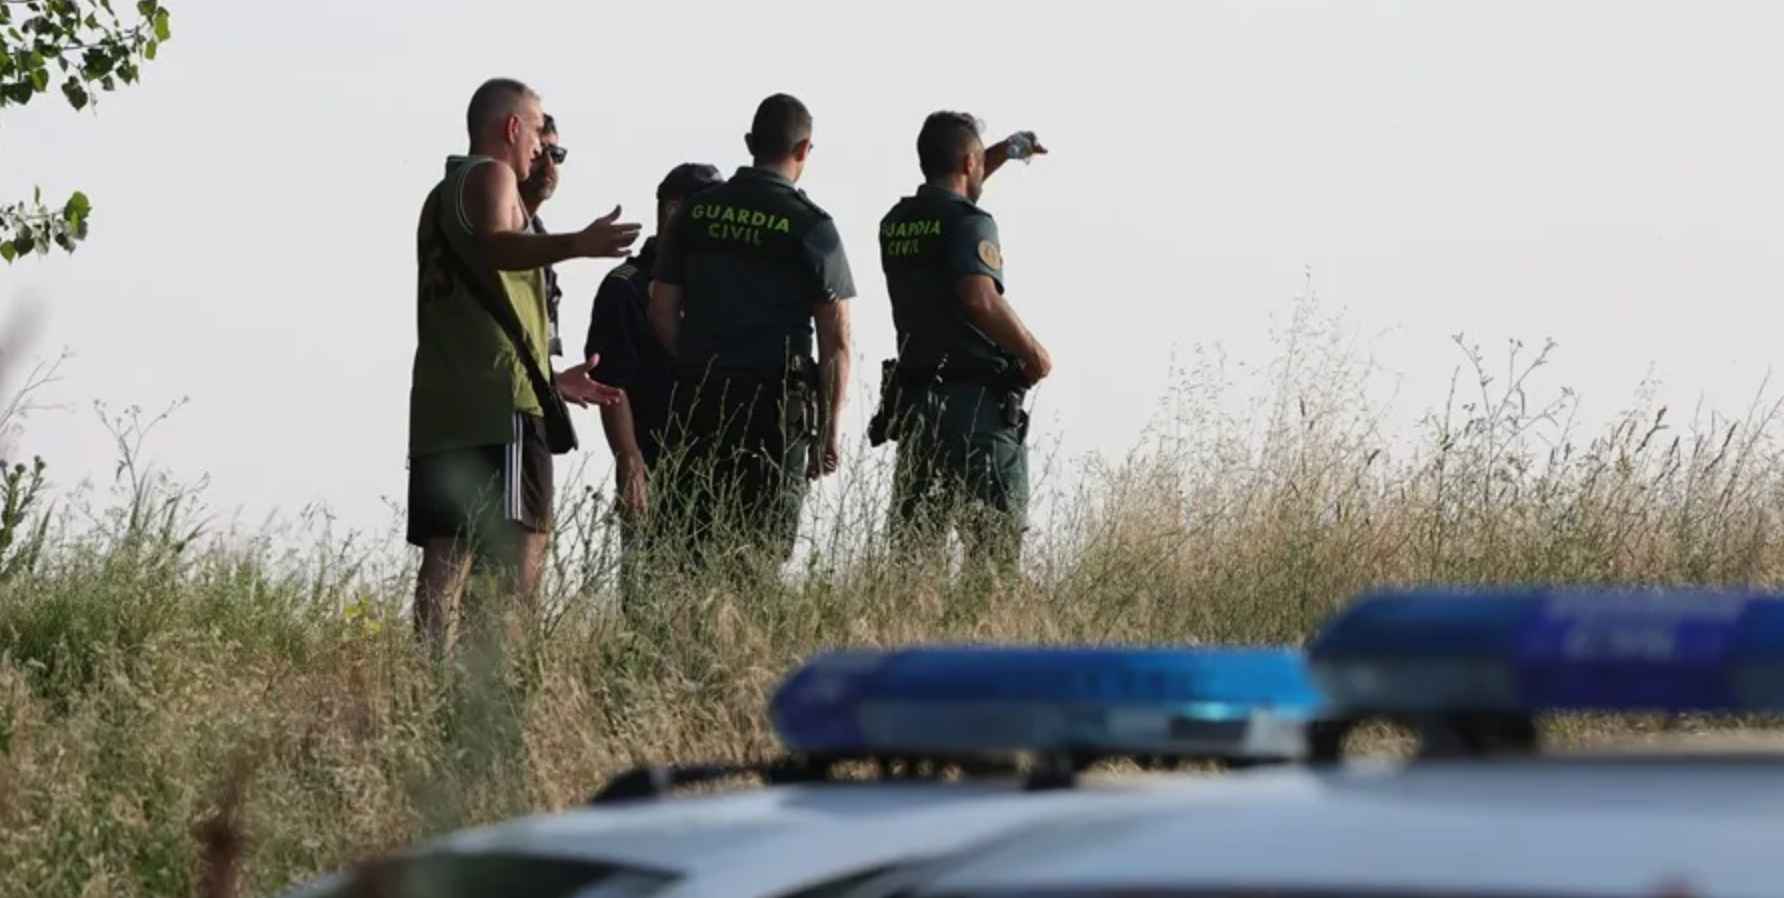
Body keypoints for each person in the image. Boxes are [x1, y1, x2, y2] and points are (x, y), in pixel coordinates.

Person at [408, 77, 641, 648]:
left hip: (444, 407)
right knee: (520, 556)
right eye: (539, 131)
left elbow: (481, 300)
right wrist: (576, 243)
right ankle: (491, 685)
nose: (542, 147)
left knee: (446, 556)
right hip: (500, 409)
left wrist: (553, 380)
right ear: (513, 127)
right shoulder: (491, 175)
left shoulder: (442, 196)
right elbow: (496, 245)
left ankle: (427, 681)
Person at [648, 93, 856, 572]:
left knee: (691, 547)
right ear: (804, 150)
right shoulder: (812, 225)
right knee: (758, 555)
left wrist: (700, 360)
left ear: (749, 143)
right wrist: (829, 430)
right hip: (774, 411)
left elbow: (661, 313)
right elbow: (837, 343)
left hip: (701, 398)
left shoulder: (695, 215)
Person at [874, 111, 1051, 570]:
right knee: (991, 561)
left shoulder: (897, 222)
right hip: (976, 412)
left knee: (913, 559)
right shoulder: (971, 224)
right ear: (970, 162)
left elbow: (950, 188)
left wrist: (1000, 155)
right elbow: (980, 300)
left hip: (917, 406)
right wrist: (1034, 356)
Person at [585, 161, 725, 602]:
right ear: (674, 210)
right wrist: (630, 464)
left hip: (716, 466)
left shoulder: (715, 283)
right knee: (648, 604)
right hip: (654, 462)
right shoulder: (625, 286)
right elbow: (610, 381)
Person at [519, 113, 568, 357]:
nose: (549, 166)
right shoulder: (485, 224)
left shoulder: (538, 235)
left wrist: (556, 382)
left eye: (556, 154)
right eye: (538, 152)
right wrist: (580, 243)